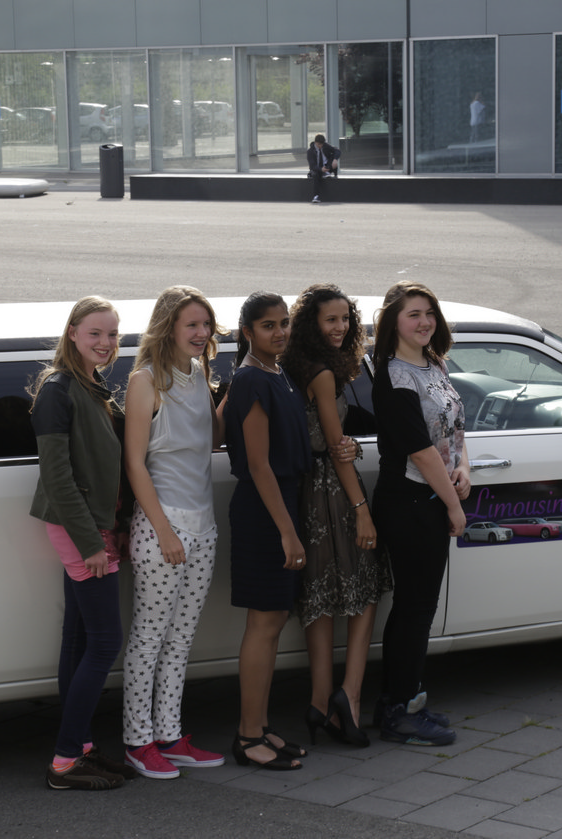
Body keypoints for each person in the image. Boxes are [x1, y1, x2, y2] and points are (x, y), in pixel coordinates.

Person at [28, 296, 137, 791]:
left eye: (112, 334)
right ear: (72, 332)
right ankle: (66, 760)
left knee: (77, 638)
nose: (106, 342)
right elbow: (57, 477)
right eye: (95, 332)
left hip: (94, 526)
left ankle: (81, 747)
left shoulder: (91, 388)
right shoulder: (59, 390)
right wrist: (92, 542)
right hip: (82, 530)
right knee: (105, 641)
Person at [121, 286, 228, 779]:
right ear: (168, 327)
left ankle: (169, 735)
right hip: (162, 527)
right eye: (192, 324)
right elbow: (135, 464)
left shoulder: (199, 374)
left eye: (206, 325)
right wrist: (164, 531)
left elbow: (211, 441)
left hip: (203, 527)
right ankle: (137, 742)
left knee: (181, 639)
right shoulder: (145, 381)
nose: (201, 333)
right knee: (148, 639)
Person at [282, 284, 393, 749]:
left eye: (346, 319)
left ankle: (320, 701)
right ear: (312, 322)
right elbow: (334, 445)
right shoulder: (324, 374)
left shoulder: (292, 364)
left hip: (305, 491)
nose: (341, 327)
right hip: (334, 492)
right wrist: (362, 511)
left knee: (322, 597)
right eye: (331, 319)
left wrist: (346, 445)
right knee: (365, 588)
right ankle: (350, 694)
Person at [371, 281, 470, 746]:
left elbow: (453, 430)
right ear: (393, 322)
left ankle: (406, 700)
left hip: (431, 499)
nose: (425, 321)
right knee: (414, 609)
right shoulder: (394, 376)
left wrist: (464, 469)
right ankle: (400, 710)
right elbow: (421, 451)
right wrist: (453, 505)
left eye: (429, 312)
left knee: (418, 606)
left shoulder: (434, 364)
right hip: (409, 504)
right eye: (413, 314)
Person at [224, 292, 311, 770]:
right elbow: (258, 465)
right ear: (247, 332)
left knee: (274, 620)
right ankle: (247, 736)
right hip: (264, 512)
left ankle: (260, 725)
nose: (279, 332)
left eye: (284, 323)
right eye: (268, 325)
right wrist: (287, 532)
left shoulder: (277, 372)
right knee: (262, 624)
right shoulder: (252, 379)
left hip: (282, 504)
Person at [306, 134, 339, 204]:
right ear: (315, 142)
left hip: (327, 167)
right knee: (315, 175)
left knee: (333, 156)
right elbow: (312, 166)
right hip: (317, 169)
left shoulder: (325, 146)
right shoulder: (310, 151)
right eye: (319, 144)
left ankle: (327, 173)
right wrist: (321, 169)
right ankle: (316, 196)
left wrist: (335, 159)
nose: (320, 146)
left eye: (322, 144)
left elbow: (337, 151)